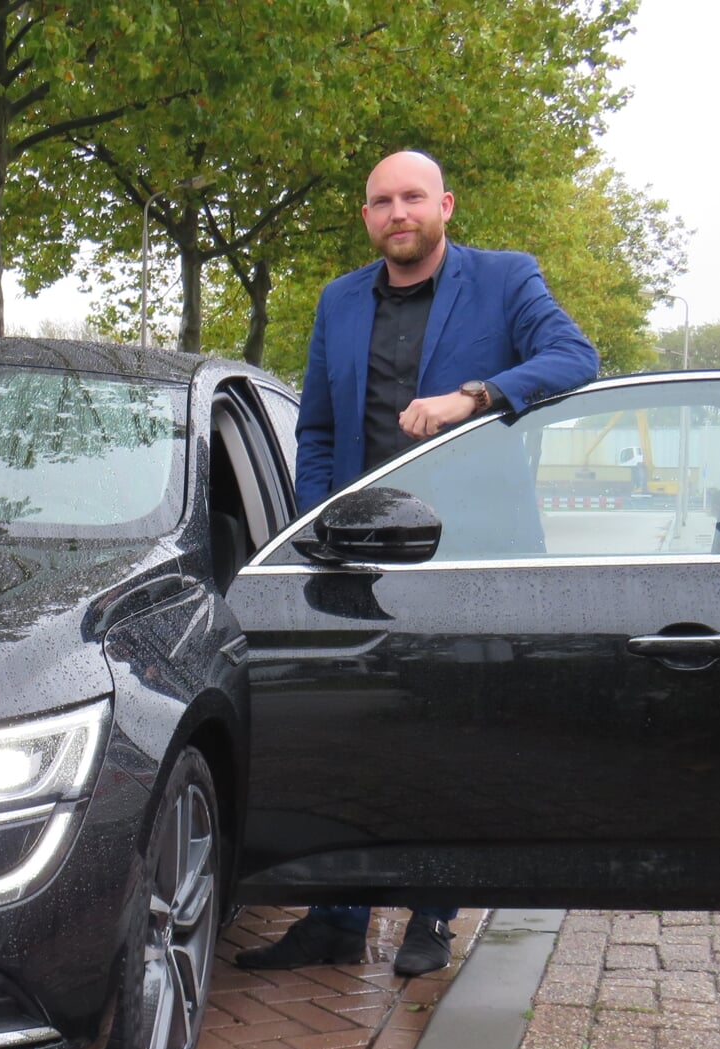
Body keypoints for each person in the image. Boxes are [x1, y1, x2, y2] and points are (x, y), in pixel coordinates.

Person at [236, 150, 598, 978]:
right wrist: (312, 531)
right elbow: (320, 429)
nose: (397, 212)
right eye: (380, 202)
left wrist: (474, 396)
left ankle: (431, 916)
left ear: (445, 205)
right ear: (366, 217)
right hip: (359, 556)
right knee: (353, 733)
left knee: (454, 734)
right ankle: (336, 916)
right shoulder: (338, 300)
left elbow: (577, 359)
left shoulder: (506, 281)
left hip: (474, 553)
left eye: (412, 198)